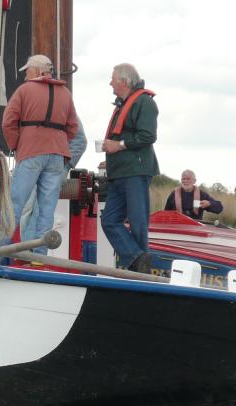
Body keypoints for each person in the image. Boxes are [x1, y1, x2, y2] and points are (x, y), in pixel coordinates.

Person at [2, 54, 79, 255]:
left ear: (36, 71)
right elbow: (73, 127)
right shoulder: (65, 94)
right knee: (47, 209)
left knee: (15, 203)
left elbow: (8, 122)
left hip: (30, 153)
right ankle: (40, 257)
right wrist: (60, 141)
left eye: (28, 70)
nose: (26, 75)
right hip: (57, 156)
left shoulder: (24, 90)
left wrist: (17, 145)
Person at [100, 63, 159, 273]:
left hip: (136, 172)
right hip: (120, 173)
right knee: (109, 221)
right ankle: (136, 257)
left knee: (137, 221)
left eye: (113, 78)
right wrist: (112, 159)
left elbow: (148, 135)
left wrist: (119, 145)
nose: (110, 82)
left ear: (124, 82)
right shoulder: (122, 105)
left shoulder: (144, 103)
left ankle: (140, 269)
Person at [20, 117, 87, 242]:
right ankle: (28, 253)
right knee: (27, 210)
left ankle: (33, 254)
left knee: (39, 212)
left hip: (50, 171)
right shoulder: (29, 107)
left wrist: (65, 167)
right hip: (31, 167)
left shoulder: (65, 109)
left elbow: (80, 141)